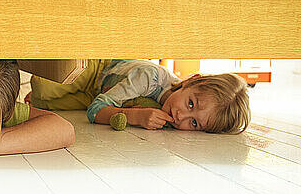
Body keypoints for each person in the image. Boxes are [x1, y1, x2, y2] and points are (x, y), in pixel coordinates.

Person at [27, 59, 250, 133]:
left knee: (45, 106)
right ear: (191, 80)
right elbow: (96, 110)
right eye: (190, 103)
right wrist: (136, 117)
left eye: (194, 123)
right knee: (42, 88)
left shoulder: (174, 117)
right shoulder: (148, 78)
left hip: (101, 95)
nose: (181, 116)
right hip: (99, 73)